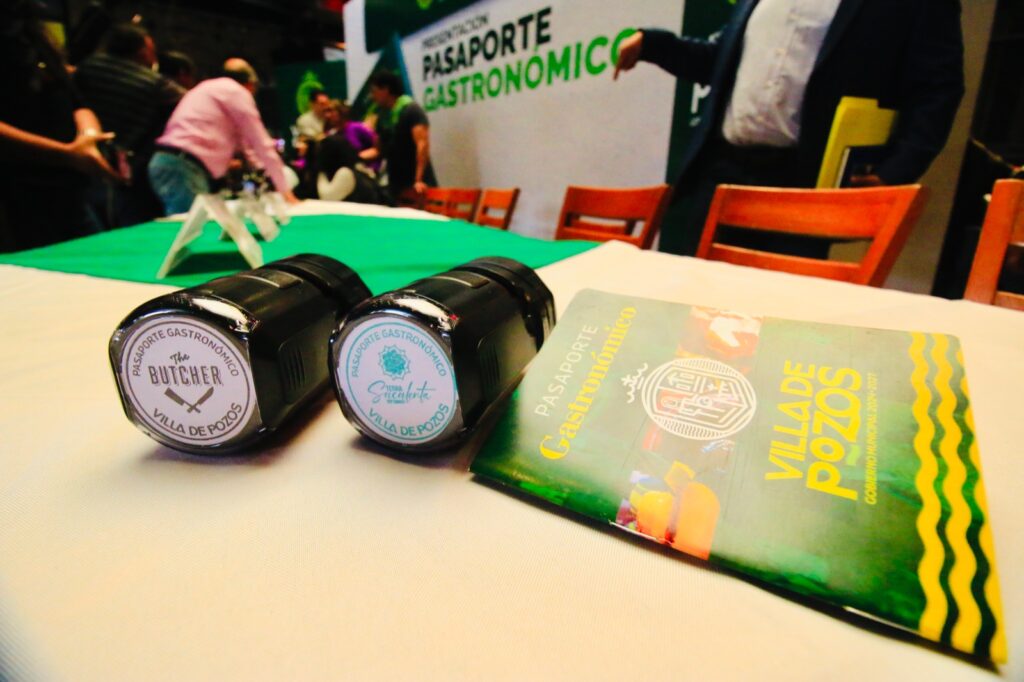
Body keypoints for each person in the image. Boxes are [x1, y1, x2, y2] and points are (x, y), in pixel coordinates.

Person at [614, 0, 965, 257]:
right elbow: (721, 61)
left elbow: (938, 88)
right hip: (721, 175)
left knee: (777, 315)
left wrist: (896, 171)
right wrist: (652, 44)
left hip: (802, 184)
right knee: (693, 304)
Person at [0, 0, 119, 252]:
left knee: (98, 259)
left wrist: (88, 138)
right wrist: (66, 153)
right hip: (14, 193)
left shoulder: (31, 34)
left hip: (66, 188)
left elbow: (76, 101)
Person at [148, 58, 300, 215]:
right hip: (183, 166)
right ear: (251, 84)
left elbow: (246, 146)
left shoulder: (208, 88)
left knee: (190, 222)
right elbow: (260, 143)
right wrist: (286, 192)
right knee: (193, 225)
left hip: (170, 162)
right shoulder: (237, 92)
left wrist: (263, 170)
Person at [74, 22, 185, 226]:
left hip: (77, 155)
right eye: (152, 51)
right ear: (142, 52)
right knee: (117, 221)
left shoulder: (88, 66)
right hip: (117, 161)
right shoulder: (154, 83)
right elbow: (189, 101)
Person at [367, 70, 436, 200]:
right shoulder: (382, 117)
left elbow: (422, 145)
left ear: (385, 90)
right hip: (396, 184)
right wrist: (355, 158)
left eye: (374, 91)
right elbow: (378, 150)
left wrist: (418, 179)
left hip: (417, 184)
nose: (372, 96)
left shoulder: (411, 110)